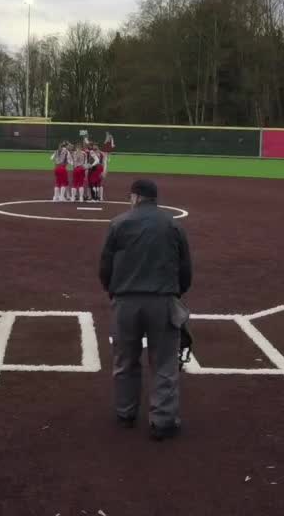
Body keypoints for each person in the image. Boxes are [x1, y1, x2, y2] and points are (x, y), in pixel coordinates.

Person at [98, 179, 193, 441]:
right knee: (164, 363)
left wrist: (113, 291)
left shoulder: (118, 223)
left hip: (126, 302)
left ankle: (125, 413)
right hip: (162, 301)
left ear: (135, 197)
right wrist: (176, 293)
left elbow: (105, 266)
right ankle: (163, 421)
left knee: (125, 360)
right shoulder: (173, 224)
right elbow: (185, 268)